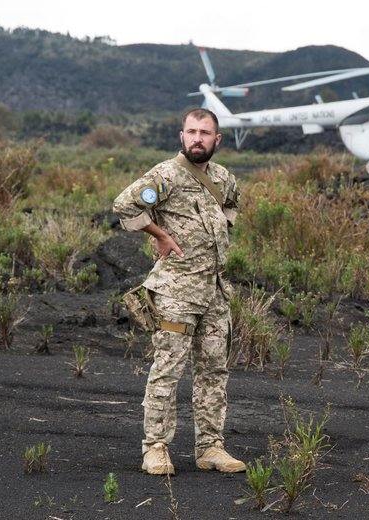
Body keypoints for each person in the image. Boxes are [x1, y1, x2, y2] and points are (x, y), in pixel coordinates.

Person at [112, 108, 244, 475]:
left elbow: (231, 204)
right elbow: (125, 205)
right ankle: (155, 447)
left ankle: (210, 447)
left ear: (217, 140)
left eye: (205, 132)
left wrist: (214, 237)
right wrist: (161, 235)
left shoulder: (223, 178)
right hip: (177, 291)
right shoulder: (166, 175)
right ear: (181, 136)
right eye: (191, 131)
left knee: (214, 371)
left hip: (215, 292)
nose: (197, 138)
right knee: (167, 369)